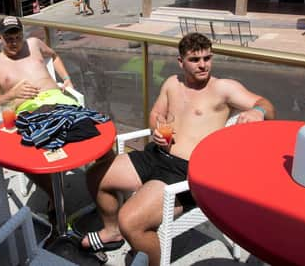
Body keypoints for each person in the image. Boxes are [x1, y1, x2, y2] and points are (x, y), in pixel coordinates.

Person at [82, 33, 275, 264]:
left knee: (131, 221)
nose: (203, 65)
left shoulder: (223, 88)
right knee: (96, 176)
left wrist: (258, 112)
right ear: (180, 62)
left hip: (183, 172)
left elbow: (266, 105)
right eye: (195, 60)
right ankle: (111, 231)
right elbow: (156, 114)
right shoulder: (172, 83)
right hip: (156, 154)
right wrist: (157, 129)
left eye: (207, 58)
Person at [0, 16, 78, 198]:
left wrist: (66, 79)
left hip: (60, 102)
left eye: (17, 37)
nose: (14, 43)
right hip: (29, 111)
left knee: (94, 135)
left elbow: (54, 56)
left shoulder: (33, 44)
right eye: (9, 39)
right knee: (23, 156)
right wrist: (12, 94)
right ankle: (55, 197)